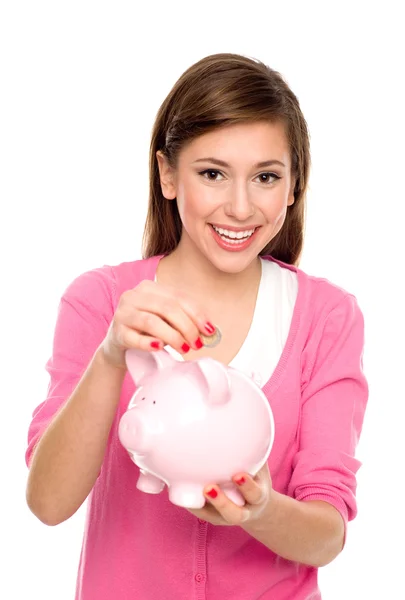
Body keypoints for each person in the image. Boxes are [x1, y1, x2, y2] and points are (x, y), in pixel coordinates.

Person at [25, 52, 369, 600]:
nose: (239, 207)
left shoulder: (327, 317)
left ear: (293, 185)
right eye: (212, 173)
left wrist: (258, 509)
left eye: (265, 177)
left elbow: (327, 535)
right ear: (167, 174)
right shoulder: (102, 302)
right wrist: (111, 355)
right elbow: (47, 503)